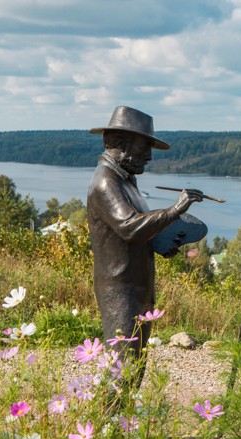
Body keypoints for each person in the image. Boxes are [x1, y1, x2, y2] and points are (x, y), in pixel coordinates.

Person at [87, 106, 203, 392]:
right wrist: (176, 209)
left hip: (136, 285)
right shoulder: (106, 182)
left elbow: (138, 232)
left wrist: (160, 242)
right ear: (119, 144)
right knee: (122, 365)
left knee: (134, 363)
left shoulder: (127, 180)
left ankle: (121, 425)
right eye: (144, 148)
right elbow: (129, 226)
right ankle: (108, 428)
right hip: (120, 289)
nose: (149, 156)